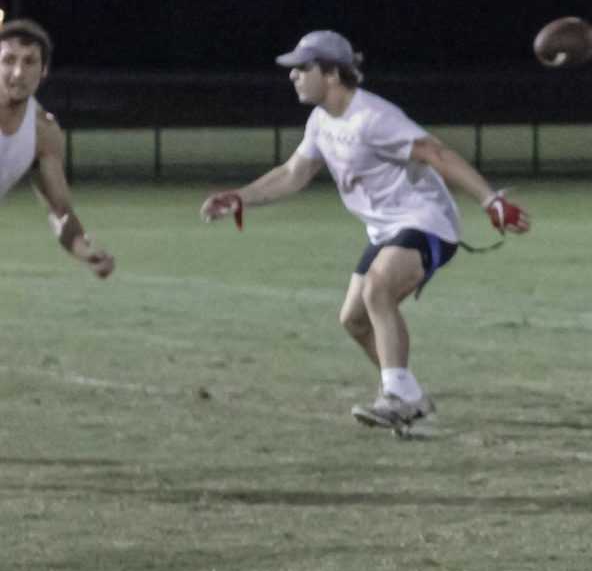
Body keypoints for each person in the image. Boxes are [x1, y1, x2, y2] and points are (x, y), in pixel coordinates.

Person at [199, 30, 529, 433]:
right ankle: (409, 393)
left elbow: (436, 152)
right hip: (385, 230)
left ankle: (396, 396)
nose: (293, 76)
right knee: (353, 320)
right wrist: (240, 197)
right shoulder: (322, 120)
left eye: (304, 68)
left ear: (333, 74)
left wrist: (489, 200)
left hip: (427, 221)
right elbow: (292, 173)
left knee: (377, 288)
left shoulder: (373, 117)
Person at [0, 19, 115, 279]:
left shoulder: (43, 133)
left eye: (29, 62)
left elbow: (60, 212)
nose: (18, 72)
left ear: (44, 71)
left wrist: (83, 250)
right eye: (8, 60)